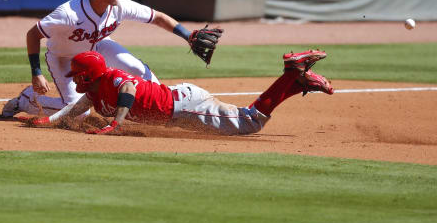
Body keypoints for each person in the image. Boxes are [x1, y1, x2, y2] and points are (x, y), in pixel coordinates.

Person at [2, 0, 216, 118]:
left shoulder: (119, 6)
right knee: (78, 113)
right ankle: (27, 100)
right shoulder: (67, 14)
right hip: (64, 57)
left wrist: (187, 36)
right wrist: (36, 72)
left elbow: (158, 17)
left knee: (135, 68)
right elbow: (33, 34)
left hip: (99, 46)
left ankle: (167, 106)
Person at [23, 49, 334, 135]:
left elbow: (129, 88)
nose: (74, 79)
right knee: (247, 119)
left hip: (183, 106)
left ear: (89, 73)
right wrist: (51, 122)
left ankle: (292, 75)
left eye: (78, 74)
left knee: (250, 122)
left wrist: (116, 122)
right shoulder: (95, 89)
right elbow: (76, 109)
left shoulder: (114, 78)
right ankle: (296, 82)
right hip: (177, 106)